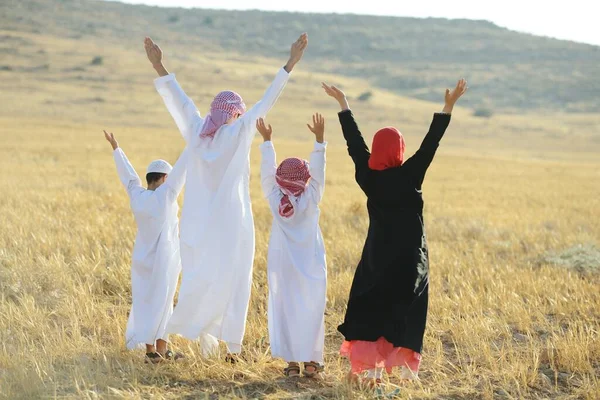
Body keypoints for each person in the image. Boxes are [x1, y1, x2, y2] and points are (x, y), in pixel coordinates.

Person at [144, 34, 308, 357]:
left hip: (198, 226)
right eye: (238, 112)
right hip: (233, 224)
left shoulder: (196, 130)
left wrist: (158, 65)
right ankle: (230, 348)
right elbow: (265, 104)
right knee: (234, 280)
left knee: (204, 278)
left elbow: (179, 100)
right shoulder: (238, 131)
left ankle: (208, 346)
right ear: (234, 113)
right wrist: (290, 64)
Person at [321, 79, 468, 384]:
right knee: (403, 309)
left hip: (376, 256)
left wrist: (344, 104)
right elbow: (431, 144)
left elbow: (354, 144)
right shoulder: (410, 175)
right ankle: (393, 371)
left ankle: (367, 369)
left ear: (376, 150)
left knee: (370, 306)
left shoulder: (367, 176)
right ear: (399, 150)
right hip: (409, 260)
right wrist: (448, 107)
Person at [103, 130, 188, 363]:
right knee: (164, 302)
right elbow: (182, 168)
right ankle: (161, 351)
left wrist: (116, 149)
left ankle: (153, 352)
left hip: (141, 258)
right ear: (163, 179)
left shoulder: (137, 196)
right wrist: (194, 142)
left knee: (146, 303)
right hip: (164, 259)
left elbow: (129, 177)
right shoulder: (167, 196)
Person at [256, 115, 327, 379]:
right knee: (311, 307)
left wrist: (267, 142)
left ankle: (292, 364)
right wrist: (319, 141)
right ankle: (310, 362)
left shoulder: (275, 198)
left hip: (282, 263)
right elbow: (319, 175)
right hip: (310, 263)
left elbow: (265, 174)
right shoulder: (311, 197)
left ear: (279, 181)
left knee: (285, 307)